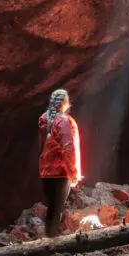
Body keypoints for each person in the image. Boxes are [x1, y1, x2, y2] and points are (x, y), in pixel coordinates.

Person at [38, 88, 83, 237]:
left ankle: (48, 239)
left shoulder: (43, 118)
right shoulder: (63, 120)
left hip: (45, 170)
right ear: (65, 103)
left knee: (52, 207)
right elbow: (68, 147)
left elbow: (41, 146)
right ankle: (51, 243)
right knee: (57, 208)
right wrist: (73, 173)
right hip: (60, 172)